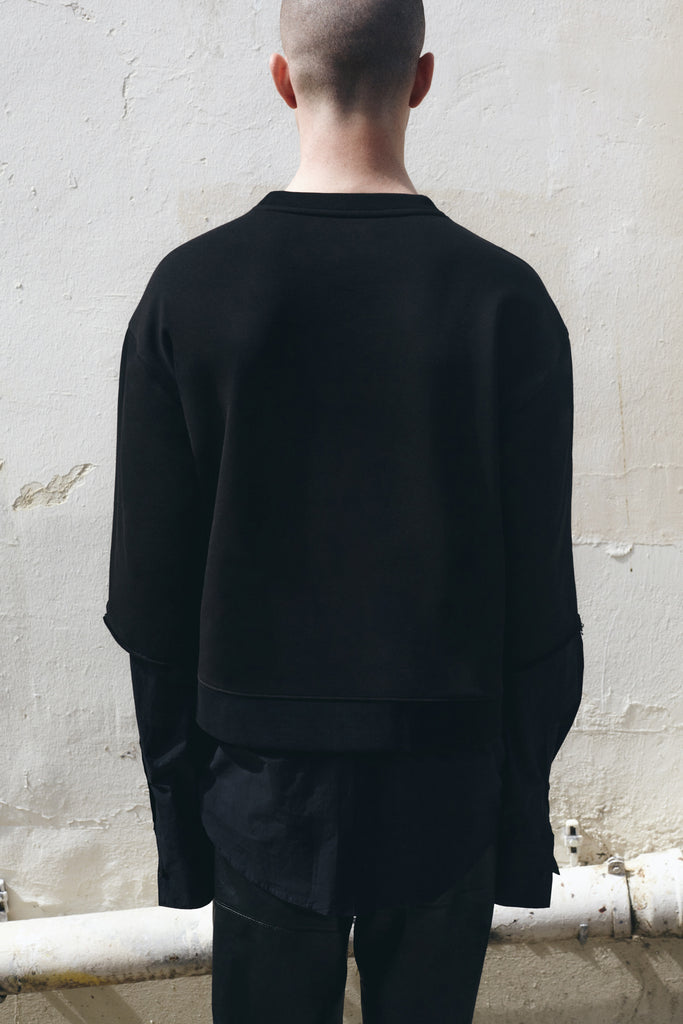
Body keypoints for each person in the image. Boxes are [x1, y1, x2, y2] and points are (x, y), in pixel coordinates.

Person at [103, 1, 584, 1022]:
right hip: (448, 782)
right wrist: (517, 825)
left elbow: (148, 601)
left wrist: (183, 836)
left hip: (256, 790)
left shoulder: (189, 293)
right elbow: (542, 605)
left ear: (282, 79)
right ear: (421, 78)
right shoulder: (506, 302)